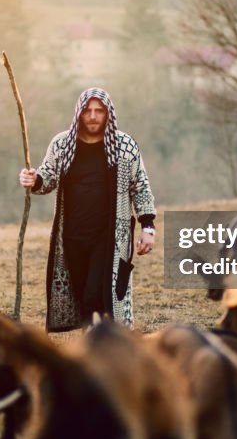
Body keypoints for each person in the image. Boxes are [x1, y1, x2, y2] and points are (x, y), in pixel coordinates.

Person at [19, 87, 156, 332]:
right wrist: (34, 180)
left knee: (97, 296)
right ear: (79, 114)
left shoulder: (124, 147)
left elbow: (141, 187)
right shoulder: (62, 144)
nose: (93, 116)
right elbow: (47, 178)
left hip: (110, 239)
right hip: (72, 239)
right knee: (83, 299)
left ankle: (102, 347)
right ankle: (95, 348)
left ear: (108, 114)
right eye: (87, 111)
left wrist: (148, 227)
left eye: (99, 111)